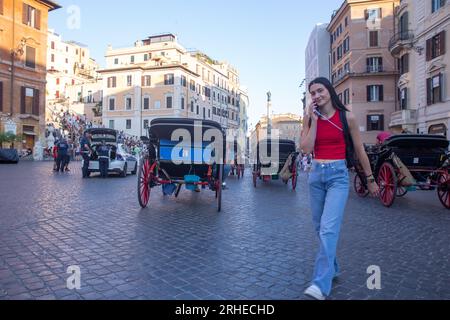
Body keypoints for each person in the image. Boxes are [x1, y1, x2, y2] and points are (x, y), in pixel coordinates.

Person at [301, 77, 380, 300]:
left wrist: (370, 178)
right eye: (313, 93)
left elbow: (360, 151)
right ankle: (333, 267)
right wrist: (313, 121)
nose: (316, 96)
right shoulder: (308, 118)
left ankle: (320, 283)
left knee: (328, 228)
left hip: (338, 177)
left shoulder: (347, 116)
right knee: (318, 226)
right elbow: (306, 149)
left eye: (320, 90)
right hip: (316, 176)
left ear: (329, 91)